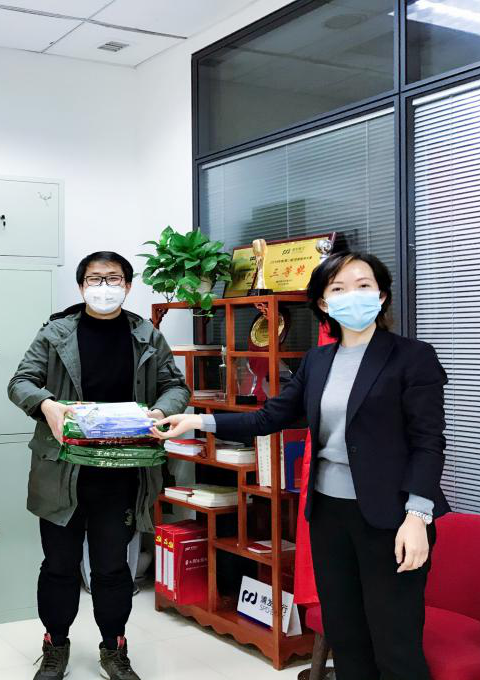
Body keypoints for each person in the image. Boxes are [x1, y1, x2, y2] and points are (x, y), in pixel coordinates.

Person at [153, 252, 449, 680]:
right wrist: (199, 421)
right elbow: (268, 418)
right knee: (345, 637)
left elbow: (429, 442)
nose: (353, 295)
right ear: (324, 303)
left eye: (364, 286)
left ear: (382, 296)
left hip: (392, 518)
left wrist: (417, 516)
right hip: (328, 515)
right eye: (339, 288)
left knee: (395, 644)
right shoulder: (318, 361)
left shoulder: (412, 357)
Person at [8, 252, 191, 680]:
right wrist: (46, 404)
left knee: (113, 569)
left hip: (123, 473)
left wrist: (160, 412)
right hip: (62, 472)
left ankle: (114, 648)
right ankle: (55, 646)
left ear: (128, 285)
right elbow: (21, 382)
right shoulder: (56, 333)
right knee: (59, 566)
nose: (104, 287)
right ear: (81, 286)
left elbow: (175, 386)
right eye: (95, 279)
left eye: (114, 278)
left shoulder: (146, 335)